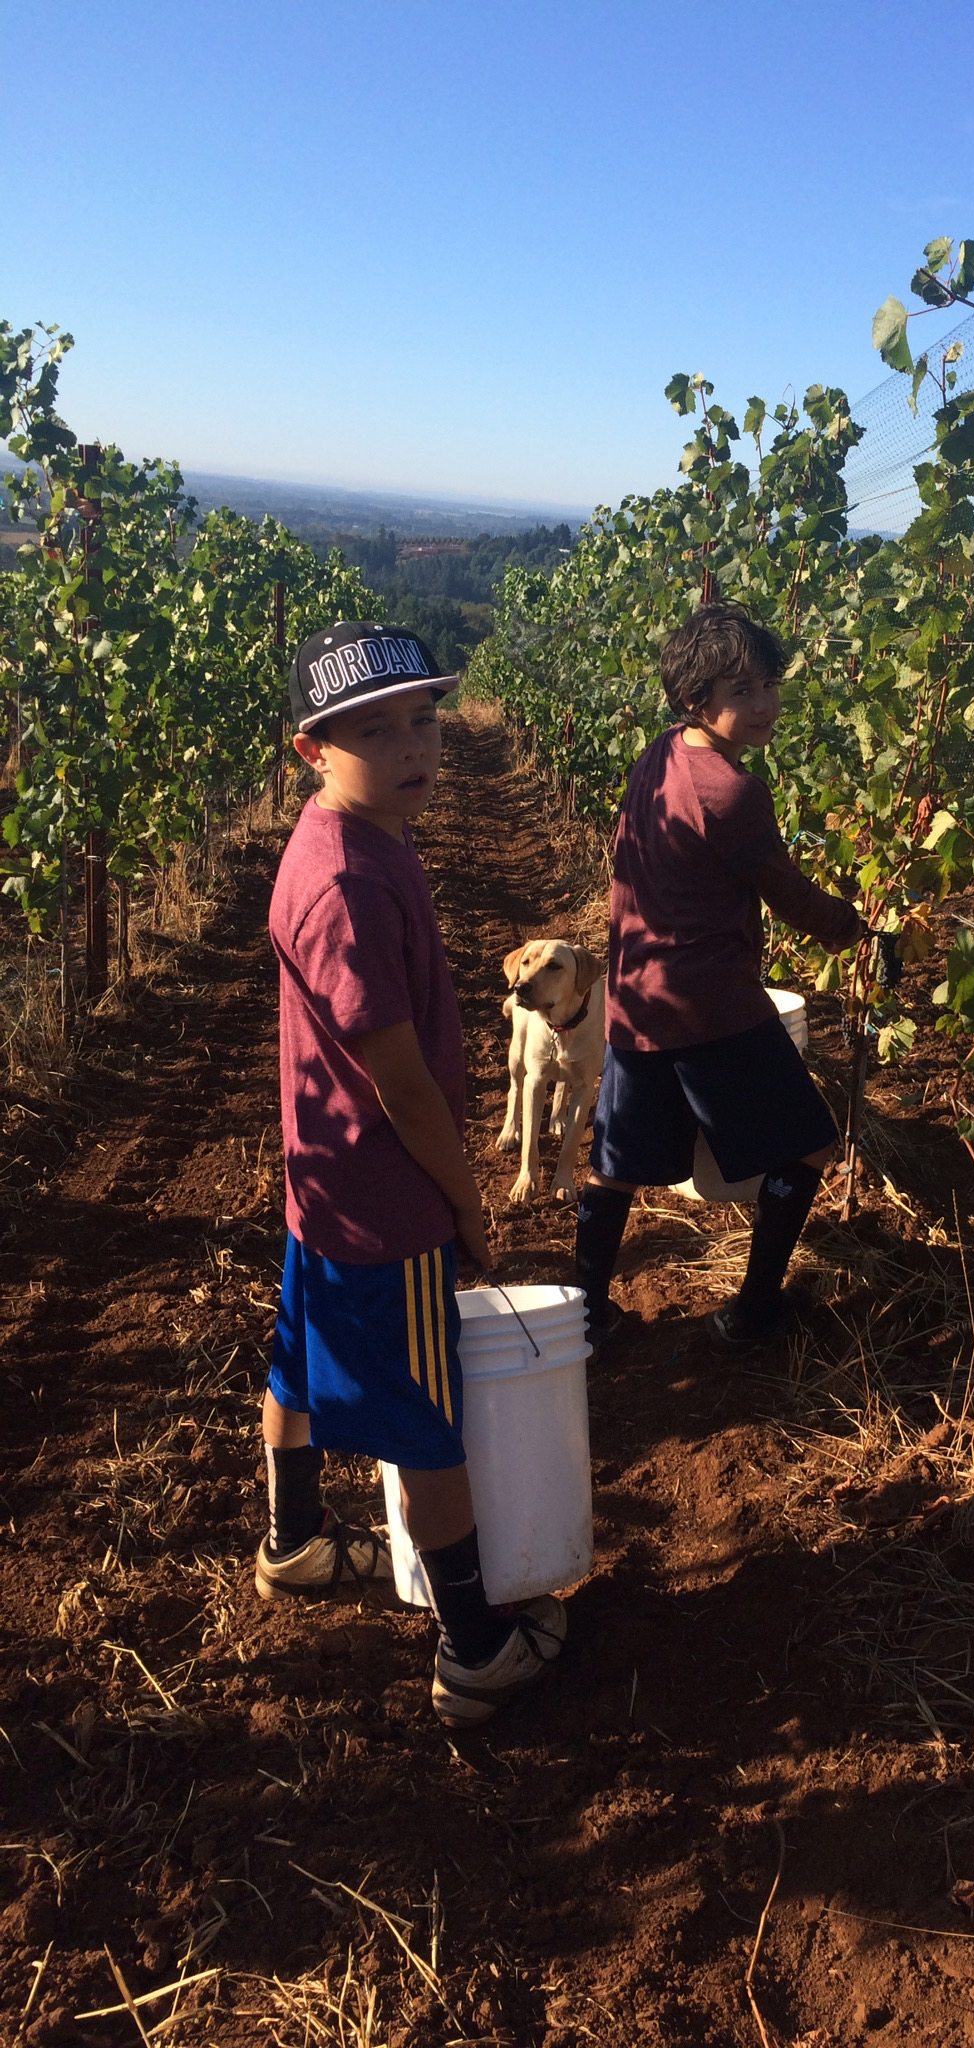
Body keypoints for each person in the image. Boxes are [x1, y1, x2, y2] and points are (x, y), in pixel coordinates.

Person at [256, 622, 565, 1728]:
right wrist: (467, 1205)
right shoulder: (348, 883)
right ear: (311, 750)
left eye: (423, 718)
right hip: (385, 1196)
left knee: (296, 1353)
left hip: (322, 1173)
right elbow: (406, 1088)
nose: (412, 745)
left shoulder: (356, 838)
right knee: (427, 1423)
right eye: (372, 730)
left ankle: (294, 1541)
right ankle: (476, 1644)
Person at [575, 603, 865, 1349]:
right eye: (740, 691)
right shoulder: (733, 792)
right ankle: (754, 1309)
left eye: (768, 683)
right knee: (807, 1144)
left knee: (617, 1164)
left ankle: (584, 1315)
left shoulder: (662, 753)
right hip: (711, 1008)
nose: (763, 704)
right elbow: (790, 896)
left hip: (638, 995)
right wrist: (855, 925)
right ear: (694, 699)